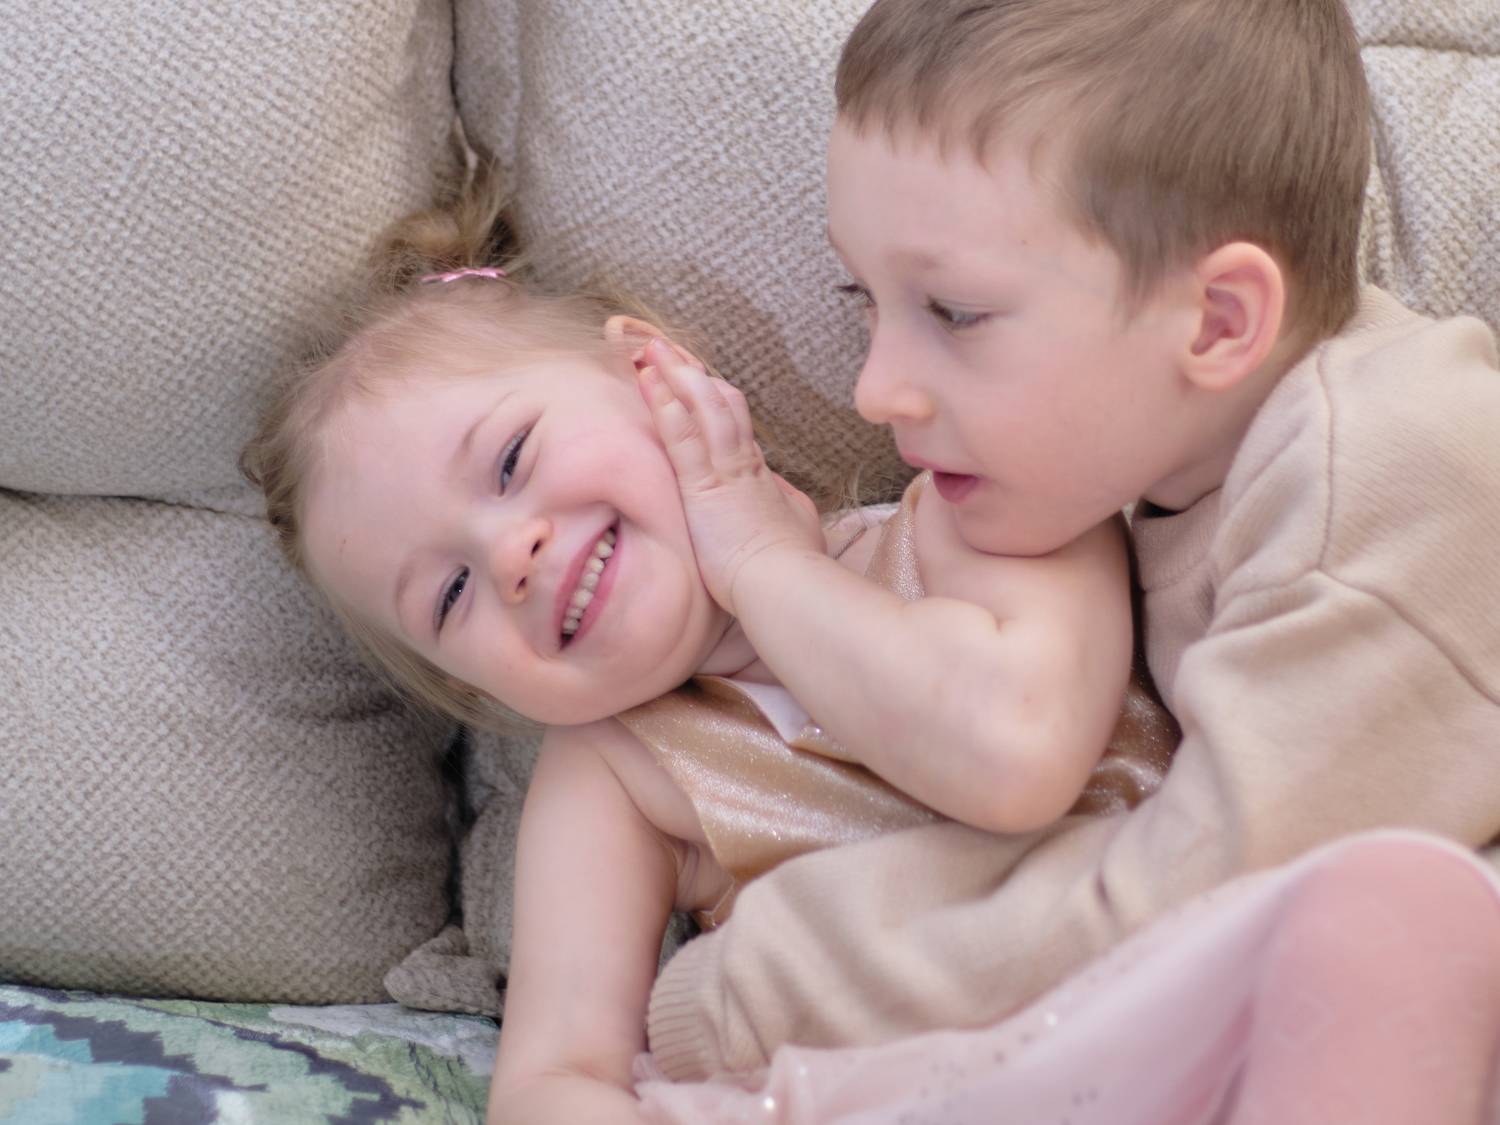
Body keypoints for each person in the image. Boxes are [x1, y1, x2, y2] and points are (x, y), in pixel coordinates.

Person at [636, 0, 1500, 1109]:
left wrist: (741, 993)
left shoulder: (1383, 476)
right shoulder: (1176, 473)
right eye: (868, 301)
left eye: (955, 312)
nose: (875, 390)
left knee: (1369, 935)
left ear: (1218, 322)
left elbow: (1179, 917)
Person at [240, 176, 1176, 1124]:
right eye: (449, 595)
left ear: (659, 376)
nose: (508, 556)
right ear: (470, 686)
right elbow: (552, 1079)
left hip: (1173, 1004)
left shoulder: (976, 515)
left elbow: (1013, 757)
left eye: (512, 459)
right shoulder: (615, 778)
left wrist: (760, 562)